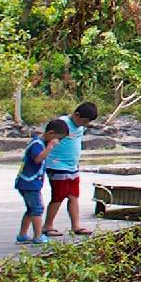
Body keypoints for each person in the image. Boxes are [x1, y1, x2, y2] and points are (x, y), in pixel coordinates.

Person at [42, 101, 99, 237]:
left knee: (74, 196)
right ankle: (47, 225)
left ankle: (76, 226)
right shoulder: (61, 123)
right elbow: (48, 138)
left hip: (72, 167)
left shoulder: (80, 128)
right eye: (83, 121)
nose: (84, 125)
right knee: (58, 196)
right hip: (57, 165)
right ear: (76, 114)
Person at [16, 120, 69, 245]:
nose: (58, 142)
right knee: (37, 209)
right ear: (51, 133)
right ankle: (38, 236)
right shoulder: (37, 144)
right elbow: (38, 159)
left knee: (30, 209)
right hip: (29, 183)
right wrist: (50, 147)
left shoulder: (39, 143)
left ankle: (22, 235)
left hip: (30, 182)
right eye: (58, 139)